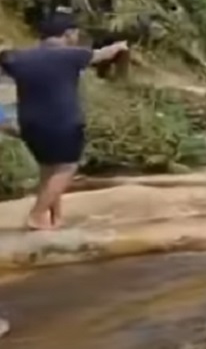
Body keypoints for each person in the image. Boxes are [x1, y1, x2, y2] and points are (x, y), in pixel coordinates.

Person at [0, 14, 128, 230]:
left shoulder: (20, 58)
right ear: (67, 34)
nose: (77, 37)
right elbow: (100, 55)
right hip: (63, 122)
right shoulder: (71, 55)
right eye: (75, 33)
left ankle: (54, 219)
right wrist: (119, 46)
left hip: (29, 124)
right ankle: (36, 216)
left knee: (49, 170)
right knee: (66, 168)